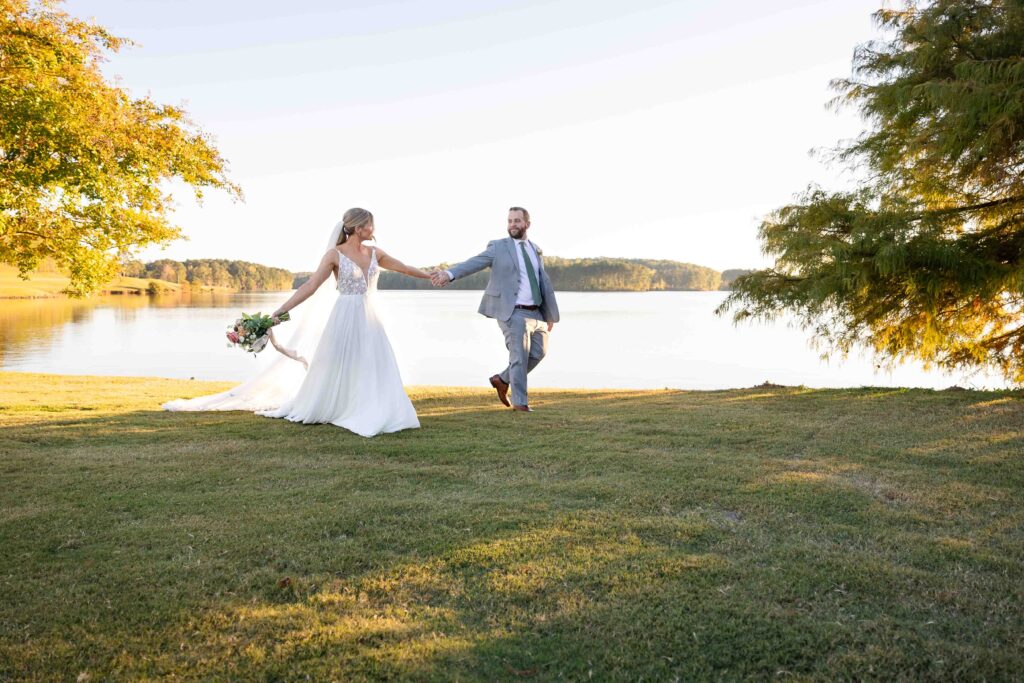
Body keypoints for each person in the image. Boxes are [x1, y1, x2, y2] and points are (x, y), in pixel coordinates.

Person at [163, 208, 428, 437]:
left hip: (371, 315)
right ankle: (341, 406)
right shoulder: (334, 255)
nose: (373, 229)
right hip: (346, 315)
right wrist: (277, 314)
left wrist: (433, 276)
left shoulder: (375, 253)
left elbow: (404, 267)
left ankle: (378, 408)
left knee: (375, 361)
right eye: (370, 224)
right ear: (358, 228)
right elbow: (310, 286)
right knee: (341, 362)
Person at [431, 207, 559, 412]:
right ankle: (520, 404)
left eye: (517, 221)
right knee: (519, 356)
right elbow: (475, 263)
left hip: (537, 312)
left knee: (539, 352)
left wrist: (549, 314)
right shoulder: (499, 247)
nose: (513, 225)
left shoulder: (535, 249)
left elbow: (541, 282)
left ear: (527, 223)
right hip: (513, 311)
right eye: (509, 221)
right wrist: (449, 273)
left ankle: (502, 379)